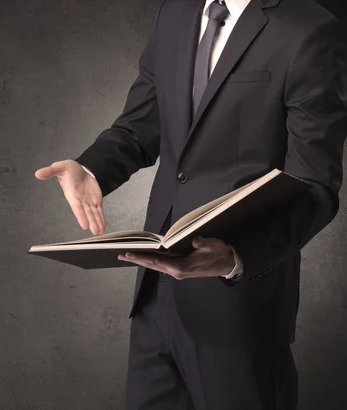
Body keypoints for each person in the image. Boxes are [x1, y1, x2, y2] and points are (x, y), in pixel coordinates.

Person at [34, 0, 347, 409]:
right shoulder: (175, 14)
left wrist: (237, 256)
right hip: (154, 303)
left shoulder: (308, 29)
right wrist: (90, 169)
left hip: (239, 309)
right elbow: (142, 124)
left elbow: (314, 186)